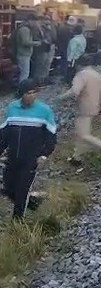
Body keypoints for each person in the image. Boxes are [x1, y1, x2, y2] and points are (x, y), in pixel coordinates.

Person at [0, 79, 58, 219]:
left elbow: (51, 135)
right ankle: (32, 203)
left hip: (31, 158)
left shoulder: (44, 110)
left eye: (33, 93)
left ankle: (17, 222)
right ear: (21, 94)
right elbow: (4, 134)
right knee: (8, 188)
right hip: (12, 157)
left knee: (22, 190)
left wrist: (44, 154)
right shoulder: (12, 108)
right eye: (28, 93)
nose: (31, 96)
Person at [57, 56, 101, 162]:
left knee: (83, 135)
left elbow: (74, 91)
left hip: (83, 108)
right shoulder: (98, 75)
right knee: (80, 133)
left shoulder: (81, 75)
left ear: (78, 65)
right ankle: (77, 157)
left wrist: (60, 97)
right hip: (95, 107)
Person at [13, 15, 40, 83]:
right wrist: (36, 43)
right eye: (34, 22)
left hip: (24, 54)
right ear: (30, 21)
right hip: (23, 54)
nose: (35, 24)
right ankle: (22, 87)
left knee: (24, 73)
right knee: (24, 74)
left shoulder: (24, 28)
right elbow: (25, 42)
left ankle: (22, 86)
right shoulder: (24, 29)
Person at [56, 16, 76, 81]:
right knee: (65, 60)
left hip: (61, 46)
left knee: (63, 60)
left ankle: (62, 72)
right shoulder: (68, 29)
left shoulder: (61, 27)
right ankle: (64, 74)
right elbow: (69, 39)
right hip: (66, 47)